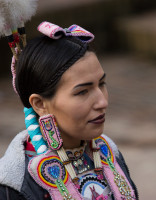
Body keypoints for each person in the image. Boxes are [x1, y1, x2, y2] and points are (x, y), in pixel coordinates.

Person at [0, 21, 138, 200]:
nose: (102, 102)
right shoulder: (14, 186)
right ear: (39, 104)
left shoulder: (108, 153)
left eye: (101, 84)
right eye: (82, 92)